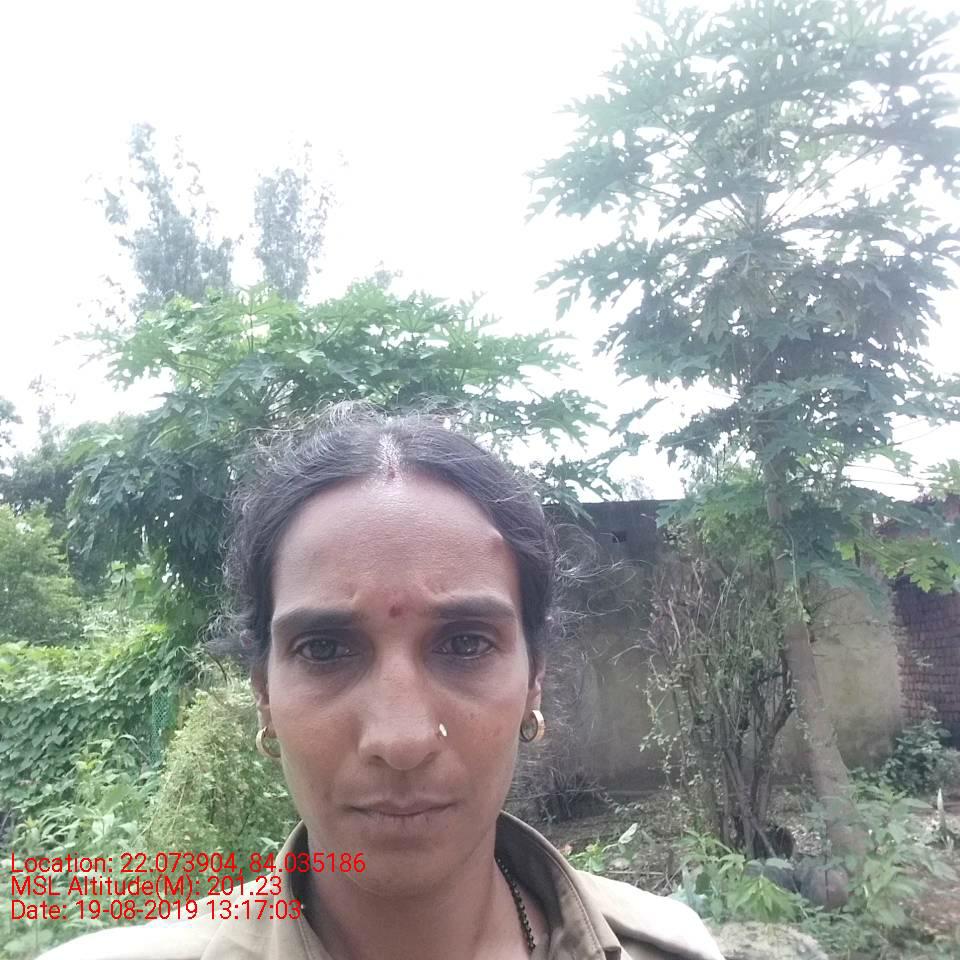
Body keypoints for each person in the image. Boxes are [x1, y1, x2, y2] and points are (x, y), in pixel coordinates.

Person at [42, 404, 723, 960]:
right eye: (325, 649)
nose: (400, 741)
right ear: (264, 695)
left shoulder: (673, 948)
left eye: (465, 643)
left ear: (534, 681)